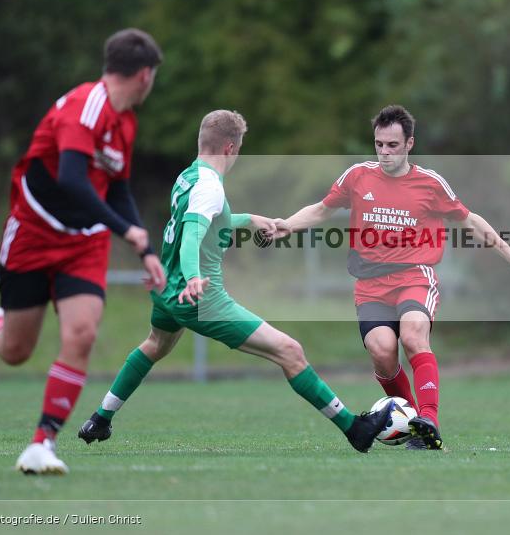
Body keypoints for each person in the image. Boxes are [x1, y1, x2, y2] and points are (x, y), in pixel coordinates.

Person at [77, 110, 393, 453]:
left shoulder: (189, 177)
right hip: (200, 298)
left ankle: (100, 419)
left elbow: (207, 220)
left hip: (168, 291)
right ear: (230, 148)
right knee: (290, 351)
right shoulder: (210, 187)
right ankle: (354, 429)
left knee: (156, 345)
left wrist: (250, 219)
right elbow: (192, 236)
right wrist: (195, 276)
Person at [276, 105, 510, 449]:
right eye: (379, 144)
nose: (385, 152)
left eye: (392, 145)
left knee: (413, 334)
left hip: (414, 275)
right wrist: (283, 225)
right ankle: (415, 422)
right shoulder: (358, 176)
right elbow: (320, 210)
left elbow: (469, 221)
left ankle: (429, 418)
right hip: (370, 283)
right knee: (381, 351)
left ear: (409, 145)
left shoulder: (430, 183)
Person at [0, 28, 166, 474]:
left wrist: (144, 244)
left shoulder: (125, 122)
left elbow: (117, 189)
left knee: (82, 333)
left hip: (84, 241)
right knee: (16, 351)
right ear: (145, 75)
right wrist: (124, 231)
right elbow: (72, 180)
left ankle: (42, 443)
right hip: (34, 233)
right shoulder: (83, 107)